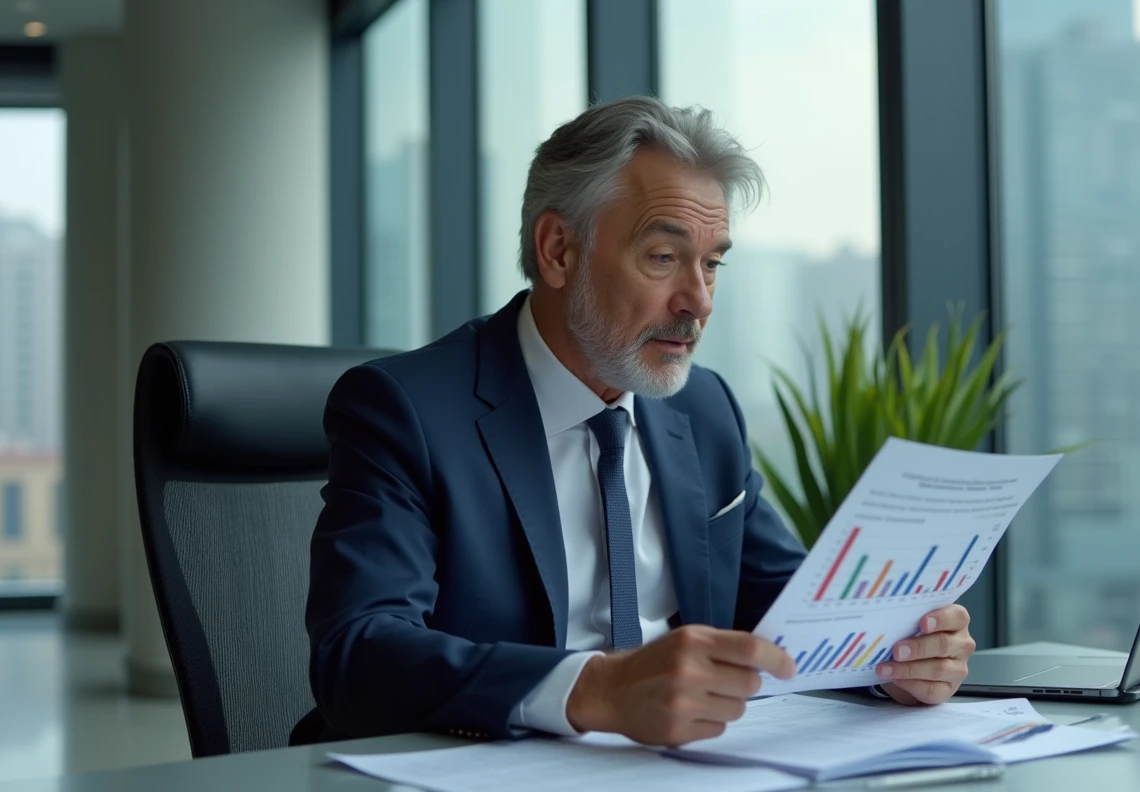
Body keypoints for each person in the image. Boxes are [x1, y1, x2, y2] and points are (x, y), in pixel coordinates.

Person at [294, 96, 975, 747]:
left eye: (712, 264)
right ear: (559, 249)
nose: (699, 301)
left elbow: (793, 618)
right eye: (664, 257)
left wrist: (899, 657)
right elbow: (358, 656)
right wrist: (597, 690)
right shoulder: (405, 408)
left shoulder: (703, 410)